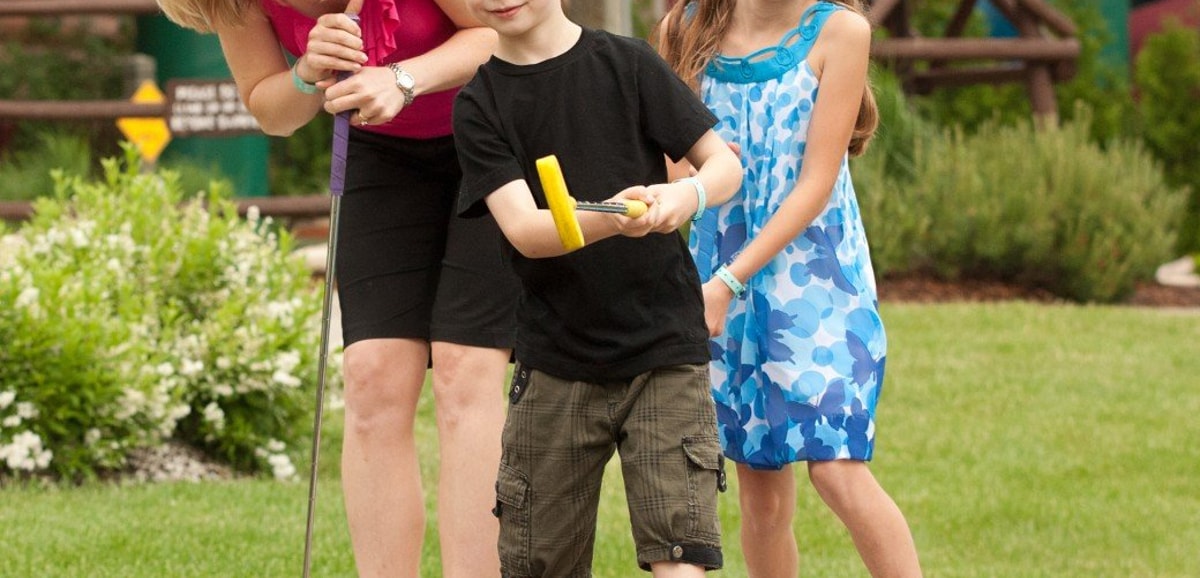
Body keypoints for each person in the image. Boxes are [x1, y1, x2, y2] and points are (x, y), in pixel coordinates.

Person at [153, 1, 519, 576]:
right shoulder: (235, 1)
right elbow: (272, 111)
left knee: (465, 368)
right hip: (381, 146)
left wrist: (402, 77)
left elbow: (496, 35)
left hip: (491, 133)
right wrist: (307, 73)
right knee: (371, 374)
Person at [451, 1, 743, 576]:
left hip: (663, 348)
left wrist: (685, 197)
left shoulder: (628, 63)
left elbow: (722, 166)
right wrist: (616, 216)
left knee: (681, 555)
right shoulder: (478, 104)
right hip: (556, 360)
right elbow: (527, 231)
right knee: (540, 562)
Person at [655, 1, 924, 577]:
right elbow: (673, 166)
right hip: (718, 281)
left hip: (818, 285)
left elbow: (816, 185)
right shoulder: (685, 28)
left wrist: (729, 280)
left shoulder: (840, 33)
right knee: (762, 496)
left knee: (837, 468)